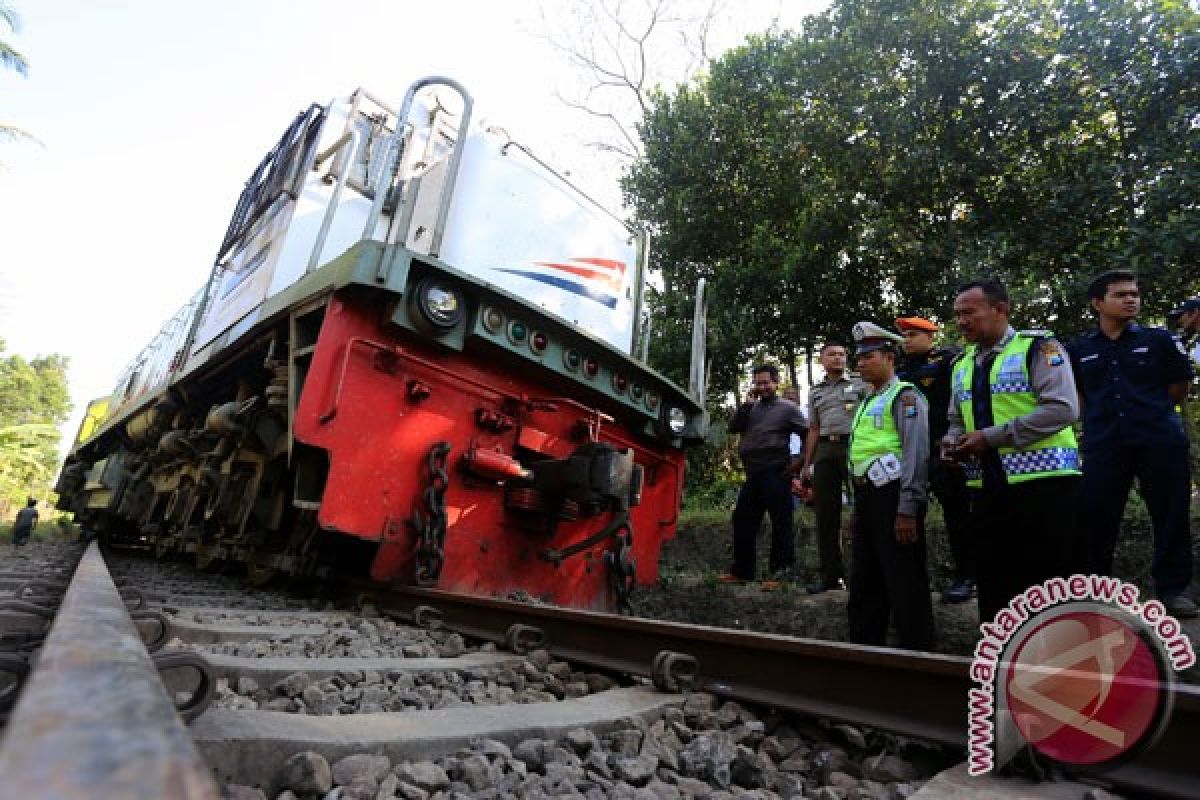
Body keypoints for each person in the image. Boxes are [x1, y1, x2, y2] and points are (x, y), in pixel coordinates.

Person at [943, 279, 1084, 624]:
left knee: (1048, 589)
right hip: (988, 492)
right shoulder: (962, 363)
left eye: (969, 313)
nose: (962, 321)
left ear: (1000, 310)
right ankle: (1001, 668)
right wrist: (952, 442)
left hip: (1045, 487)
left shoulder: (1039, 348)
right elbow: (955, 419)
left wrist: (990, 438)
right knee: (995, 590)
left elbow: (1063, 408)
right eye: (958, 315)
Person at [1068, 271, 1196, 618]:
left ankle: (1173, 590)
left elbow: (1179, 387)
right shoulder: (1079, 348)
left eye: (1134, 294)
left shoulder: (1159, 341)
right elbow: (1078, 395)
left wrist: (1151, 412)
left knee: (1170, 515)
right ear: (1098, 303)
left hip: (1159, 440)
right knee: (1095, 516)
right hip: (1104, 443)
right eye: (1121, 294)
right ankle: (1096, 591)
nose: (1131, 299)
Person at [846, 322, 936, 650]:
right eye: (859, 358)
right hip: (868, 497)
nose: (860, 363)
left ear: (888, 358)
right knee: (865, 584)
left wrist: (908, 508)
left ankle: (919, 658)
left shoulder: (906, 396)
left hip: (894, 495)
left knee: (905, 583)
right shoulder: (867, 400)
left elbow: (916, 455)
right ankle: (865, 654)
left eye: (868, 356)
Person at [896, 316, 975, 604]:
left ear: (931, 337)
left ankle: (967, 575)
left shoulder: (947, 360)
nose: (907, 340)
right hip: (909, 450)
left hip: (942, 445)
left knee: (958, 514)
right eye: (904, 335)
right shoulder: (900, 369)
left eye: (913, 334)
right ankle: (911, 579)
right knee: (908, 513)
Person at [725, 365, 809, 585]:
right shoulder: (750, 408)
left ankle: (780, 575)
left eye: (766, 383)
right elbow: (733, 428)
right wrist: (745, 405)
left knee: (781, 523)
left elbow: (808, 434)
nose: (762, 387)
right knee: (742, 520)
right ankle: (742, 572)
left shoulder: (788, 408)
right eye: (758, 383)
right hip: (753, 474)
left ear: (776, 382)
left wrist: (799, 463)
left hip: (777, 472)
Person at [799, 343, 869, 594]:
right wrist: (807, 464)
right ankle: (831, 577)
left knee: (862, 512)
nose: (838, 358)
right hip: (826, 451)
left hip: (855, 446)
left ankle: (864, 578)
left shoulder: (861, 383)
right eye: (832, 354)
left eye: (842, 354)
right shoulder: (815, 392)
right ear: (822, 360)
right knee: (826, 516)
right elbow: (814, 429)